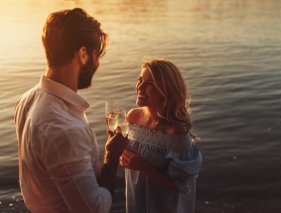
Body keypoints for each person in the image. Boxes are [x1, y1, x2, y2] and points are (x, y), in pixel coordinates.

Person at [14, 8, 127, 213]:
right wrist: (111, 159)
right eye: (96, 55)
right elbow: (94, 209)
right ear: (83, 54)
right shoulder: (64, 129)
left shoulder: (27, 99)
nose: (97, 63)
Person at [120, 58, 202, 213]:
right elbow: (127, 157)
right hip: (137, 199)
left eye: (149, 84)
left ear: (166, 90)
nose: (140, 87)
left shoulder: (175, 131)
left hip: (166, 205)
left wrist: (143, 166)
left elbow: (181, 185)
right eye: (140, 80)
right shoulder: (132, 117)